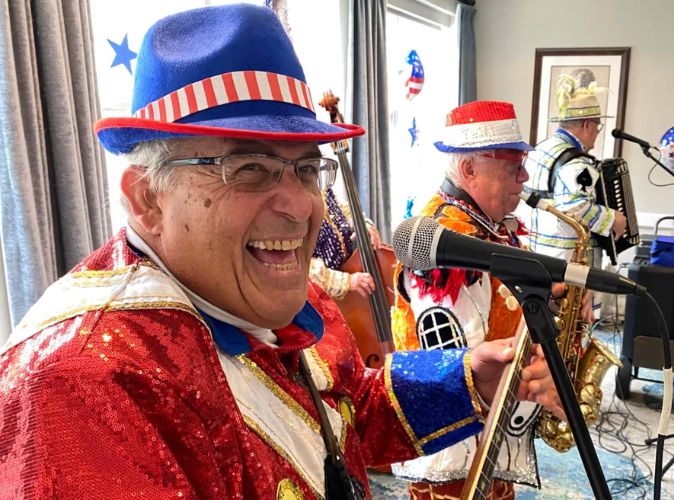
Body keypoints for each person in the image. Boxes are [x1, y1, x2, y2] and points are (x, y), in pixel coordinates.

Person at [0, 5, 565, 499]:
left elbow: (340, 414)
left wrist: (467, 378)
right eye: (248, 168)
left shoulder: (283, 290)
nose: (300, 206)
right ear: (147, 199)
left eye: (306, 168)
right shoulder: (81, 387)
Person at [391, 101, 559, 499]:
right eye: (512, 165)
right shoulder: (445, 243)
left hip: (488, 433)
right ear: (469, 170)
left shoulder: (489, 228)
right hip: (459, 441)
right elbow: (463, 356)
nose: (525, 175)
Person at [523, 75, 627, 324]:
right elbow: (573, 205)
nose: (596, 136)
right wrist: (614, 219)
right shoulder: (579, 162)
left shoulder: (541, 149)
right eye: (597, 129)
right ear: (587, 125)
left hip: (538, 253)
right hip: (566, 261)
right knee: (571, 327)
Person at [310, 187, 380, 299]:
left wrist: (363, 224)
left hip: (345, 293)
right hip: (315, 300)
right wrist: (345, 282)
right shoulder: (297, 205)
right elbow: (301, 266)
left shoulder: (325, 194)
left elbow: (347, 213)